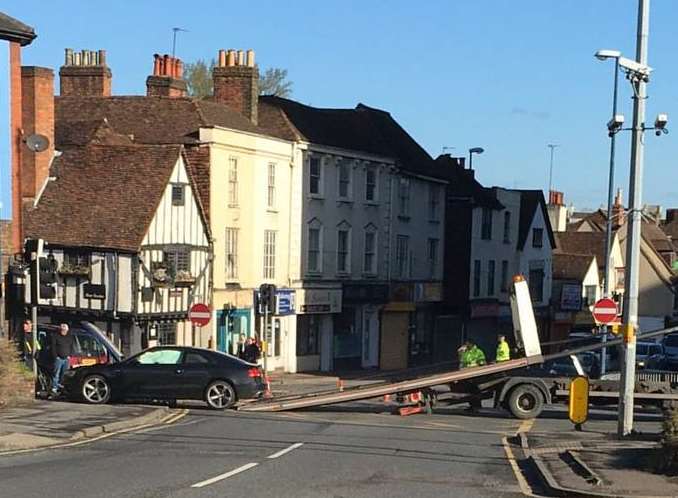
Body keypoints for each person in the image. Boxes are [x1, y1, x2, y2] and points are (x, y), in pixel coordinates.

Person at [50, 323, 74, 395]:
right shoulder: (55, 336)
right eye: (62, 329)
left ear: (67, 330)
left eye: (64, 329)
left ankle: (62, 387)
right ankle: (55, 388)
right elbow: (53, 347)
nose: (63, 330)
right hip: (58, 359)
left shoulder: (70, 337)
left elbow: (72, 346)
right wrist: (56, 356)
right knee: (56, 373)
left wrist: (70, 355)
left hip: (66, 359)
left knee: (65, 374)